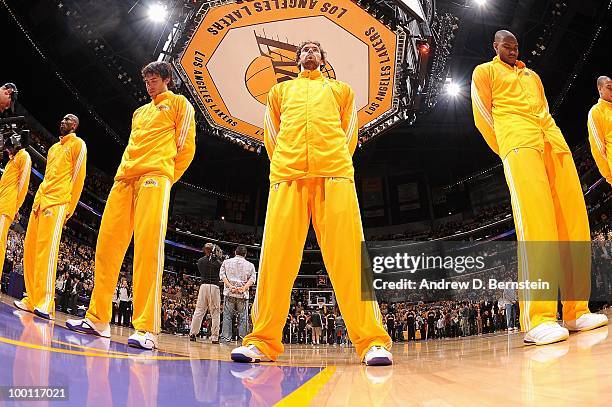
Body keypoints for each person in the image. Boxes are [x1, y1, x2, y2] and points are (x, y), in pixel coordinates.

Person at [231, 40, 392, 366]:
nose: (310, 52)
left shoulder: (341, 91)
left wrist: (334, 162)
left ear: (323, 57)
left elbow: (350, 132)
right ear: (297, 58)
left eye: (316, 48)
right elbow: (271, 135)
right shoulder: (279, 92)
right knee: (276, 261)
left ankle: (372, 342)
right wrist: (285, 167)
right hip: (288, 177)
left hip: (334, 174)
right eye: (305, 49)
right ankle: (261, 341)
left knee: (349, 259)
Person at [471, 30, 608, 345]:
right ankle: (539, 318)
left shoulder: (532, 75)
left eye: (516, 45)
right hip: (519, 144)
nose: (513, 48)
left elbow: (545, 109)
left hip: (553, 141)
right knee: (538, 225)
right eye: (507, 45)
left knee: (574, 222)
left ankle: (576, 311)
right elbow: (483, 118)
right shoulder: (485, 72)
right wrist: (509, 143)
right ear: (495, 46)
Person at [66, 61, 196, 349]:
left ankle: (146, 328)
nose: (149, 85)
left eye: (153, 80)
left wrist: (165, 176)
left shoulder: (179, 104)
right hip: (124, 178)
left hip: (155, 177)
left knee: (148, 249)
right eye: (146, 81)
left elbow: (186, 147)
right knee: (107, 245)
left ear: (166, 80)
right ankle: (98, 318)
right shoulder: (139, 112)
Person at [14, 114, 86, 320]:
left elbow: (78, 178)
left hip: (58, 202)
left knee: (47, 252)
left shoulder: (78, 145)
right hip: (41, 200)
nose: (62, 122)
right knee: (31, 250)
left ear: (75, 125)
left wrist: (69, 208)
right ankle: (31, 298)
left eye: (67, 120)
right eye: (61, 119)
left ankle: (46, 301)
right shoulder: (54, 148)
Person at [0, 106, 31, 279]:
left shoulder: (24, 157)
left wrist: (16, 206)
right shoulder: (12, 161)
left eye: (8, 146)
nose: (6, 150)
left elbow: (23, 185)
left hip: (7, 206)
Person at [220, 245, 256, 342]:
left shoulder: (226, 262)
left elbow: (222, 275)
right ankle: (243, 339)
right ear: (245, 254)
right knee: (243, 318)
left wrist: (229, 286)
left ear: (235, 252)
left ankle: (225, 338)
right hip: (242, 295)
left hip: (229, 293)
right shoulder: (250, 265)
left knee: (227, 316)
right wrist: (244, 288)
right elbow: (252, 279)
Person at [189, 243, 223, 344]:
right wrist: (217, 259)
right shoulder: (218, 262)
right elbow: (220, 272)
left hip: (203, 287)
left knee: (199, 311)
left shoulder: (200, 261)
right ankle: (215, 337)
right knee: (215, 313)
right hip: (214, 287)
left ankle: (193, 333)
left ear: (205, 250)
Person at [587, 76, 612, 185]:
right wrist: (609, 176)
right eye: (609, 87)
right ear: (600, 88)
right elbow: (598, 149)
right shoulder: (595, 112)